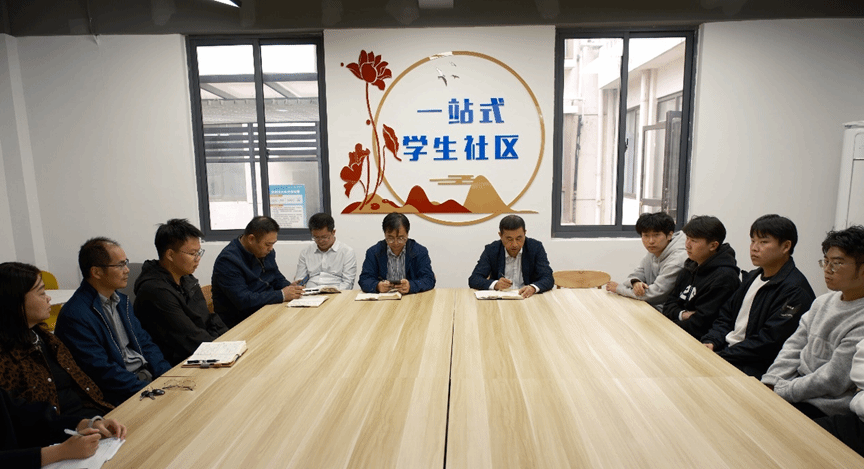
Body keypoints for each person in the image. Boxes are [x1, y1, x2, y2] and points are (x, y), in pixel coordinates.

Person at [0, 262, 126, 467]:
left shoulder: (46, 339)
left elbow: (32, 414)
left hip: (79, 428)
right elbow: (25, 425)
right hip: (54, 444)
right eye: (41, 292)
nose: (48, 297)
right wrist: (60, 450)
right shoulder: (6, 359)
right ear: (15, 302)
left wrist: (89, 422)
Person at [762, 225, 864, 419]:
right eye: (826, 261)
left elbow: (832, 379)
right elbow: (793, 346)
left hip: (826, 405)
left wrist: (783, 390)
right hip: (795, 388)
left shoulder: (860, 318)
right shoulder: (822, 302)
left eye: (837, 263)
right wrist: (771, 380)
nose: (827, 269)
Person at [55, 238, 171, 406]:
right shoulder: (75, 316)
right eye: (120, 265)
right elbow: (102, 371)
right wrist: (148, 390)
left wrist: (167, 377)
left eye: (126, 263)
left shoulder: (121, 301)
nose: (127, 270)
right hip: (120, 393)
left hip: (144, 380)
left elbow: (145, 343)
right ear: (96, 272)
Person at [701, 215, 815, 378]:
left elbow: (768, 342)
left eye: (763, 242)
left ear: (786, 246)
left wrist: (722, 356)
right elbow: (726, 315)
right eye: (752, 241)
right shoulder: (753, 277)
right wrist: (712, 341)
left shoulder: (795, 291)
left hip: (754, 368)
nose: (754, 248)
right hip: (727, 354)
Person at [134, 219, 228, 366]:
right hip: (177, 363)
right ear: (170, 255)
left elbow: (207, 318)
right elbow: (188, 337)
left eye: (199, 252)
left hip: (202, 350)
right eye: (192, 253)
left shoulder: (186, 278)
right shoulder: (155, 291)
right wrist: (222, 349)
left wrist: (228, 339)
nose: (198, 259)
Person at [212, 216, 303, 327]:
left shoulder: (266, 252)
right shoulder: (228, 261)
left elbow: (276, 276)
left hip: (266, 310)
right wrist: (282, 295)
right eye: (267, 244)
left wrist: (290, 287)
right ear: (251, 239)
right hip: (241, 322)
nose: (271, 248)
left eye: (273, 244)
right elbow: (244, 300)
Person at [662, 215, 740, 339]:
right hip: (678, 331)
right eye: (687, 238)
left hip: (700, 340)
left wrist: (666, 327)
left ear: (713, 246)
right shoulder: (690, 266)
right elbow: (668, 305)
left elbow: (701, 324)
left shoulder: (725, 277)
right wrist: (683, 314)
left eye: (694, 240)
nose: (687, 245)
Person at [605, 212, 687, 310]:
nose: (651, 241)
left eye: (656, 235)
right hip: (651, 307)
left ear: (669, 235)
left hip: (668, 312)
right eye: (646, 235)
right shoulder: (654, 251)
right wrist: (636, 283)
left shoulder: (677, 259)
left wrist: (619, 288)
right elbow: (635, 275)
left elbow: (654, 295)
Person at [468, 215, 553, 299]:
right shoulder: (492, 250)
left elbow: (548, 278)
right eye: (509, 239)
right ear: (500, 235)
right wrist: (495, 284)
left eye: (519, 238)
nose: (515, 244)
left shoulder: (535, 247)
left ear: (525, 233)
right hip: (500, 299)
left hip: (527, 298)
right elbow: (474, 279)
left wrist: (533, 287)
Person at [358, 212, 435, 294]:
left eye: (401, 238)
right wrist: (377, 286)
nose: (396, 243)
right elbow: (364, 280)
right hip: (383, 299)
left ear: (407, 234)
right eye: (390, 238)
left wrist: (411, 286)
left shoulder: (419, 251)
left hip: (410, 297)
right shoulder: (373, 252)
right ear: (385, 234)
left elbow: (429, 279)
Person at [295, 213, 357, 290]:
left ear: (333, 232)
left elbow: (348, 283)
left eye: (324, 237)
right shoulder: (305, 252)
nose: (320, 241)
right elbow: (300, 280)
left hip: (336, 292)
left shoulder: (347, 252)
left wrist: (335, 293)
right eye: (316, 237)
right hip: (310, 292)